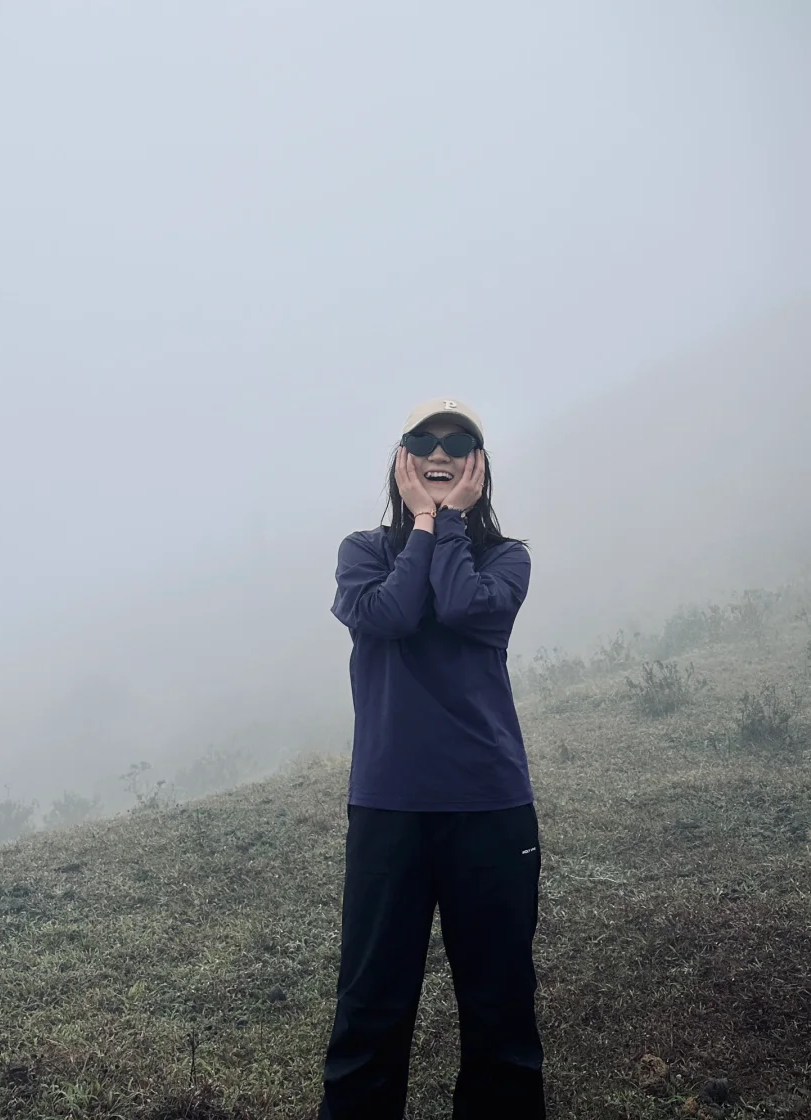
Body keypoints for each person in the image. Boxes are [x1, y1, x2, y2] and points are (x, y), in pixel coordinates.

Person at [319, 397, 545, 1120]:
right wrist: (423, 525)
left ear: (479, 467)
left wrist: (443, 524)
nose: (440, 450)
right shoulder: (363, 553)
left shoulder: (506, 559)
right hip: (391, 807)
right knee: (371, 1006)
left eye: (459, 441)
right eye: (424, 440)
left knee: (500, 1007)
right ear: (401, 460)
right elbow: (387, 615)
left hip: (489, 807)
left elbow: (457, 606)